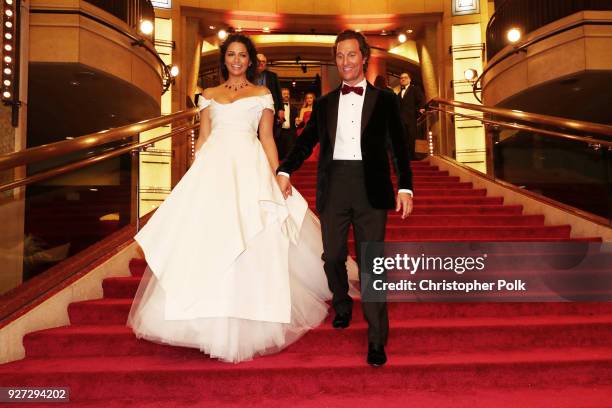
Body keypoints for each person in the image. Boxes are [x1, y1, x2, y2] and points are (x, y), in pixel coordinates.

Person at [127, 34, 333, 363]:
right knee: (210, 237)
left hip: (249, 168)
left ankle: (251, 312)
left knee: (251, 234)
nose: (236, 60)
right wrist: (194, 177)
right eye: (231, 55)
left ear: (250, 61)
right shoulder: (209, 96)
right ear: (224, 59)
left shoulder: (263, 94)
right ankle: (201, 315)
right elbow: (204, 137)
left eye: (242, 55)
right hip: (214, 170)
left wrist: (279, 173)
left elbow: (266, 138)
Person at [276, 30, 414, 367]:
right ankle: (341, 302)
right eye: (339, 56)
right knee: (333, 255)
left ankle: (377, 338)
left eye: (351, 55)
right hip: (335, 186)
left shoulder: (385, 100)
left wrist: (405, 187)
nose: (345, 62)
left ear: (363, 57)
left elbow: (398, 147)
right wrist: (284, 169)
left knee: (372, 265)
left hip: (372, 189)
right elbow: (306, 142)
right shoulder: (324, 104)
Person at [397, 72, 425, 159]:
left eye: (405, 77)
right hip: (401, 120)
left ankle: (412, 157)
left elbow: (421, 100)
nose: (403, 79)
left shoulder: (415, 89)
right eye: (401, 78)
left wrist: (420, 109)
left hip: (411, 118)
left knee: (411, 138)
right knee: (403, 139)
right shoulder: (399, 93)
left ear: (409, 79)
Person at [255, 53, 285, 132]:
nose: (261, 63)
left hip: (270, 110)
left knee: (269, 132)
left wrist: (281, 109)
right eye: (258, 61)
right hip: (253, 110)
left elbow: (278, 93)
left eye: (263, 61)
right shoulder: (248, 76)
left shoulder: (273, 76)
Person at [295, 92, 318, 161]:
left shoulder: (317, 108)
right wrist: (297, 120)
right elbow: (301, 120)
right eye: (307, 98)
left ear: (313, 99)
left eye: (311, 98)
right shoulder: (303, 109)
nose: (309, 99)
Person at [277, 87, 298, 160]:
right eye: (284, 94)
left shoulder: (294, 108)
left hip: (290, 133)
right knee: (280, 156)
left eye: (288, 94)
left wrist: (297, 123)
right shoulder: (276, 108)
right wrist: (278, 122)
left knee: (290, 155)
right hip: (280, 133)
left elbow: (297, 123)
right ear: (280, 95)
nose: (286, 95)